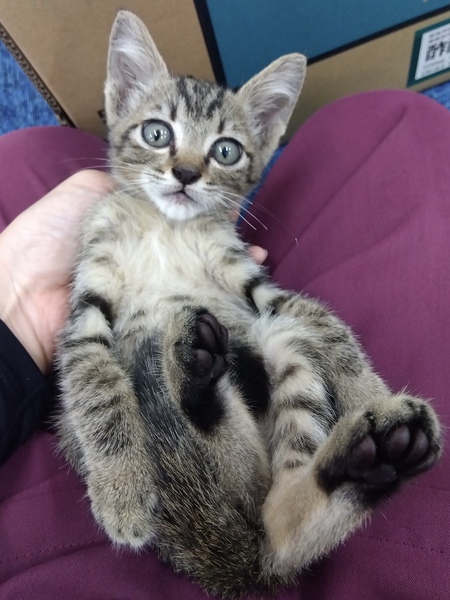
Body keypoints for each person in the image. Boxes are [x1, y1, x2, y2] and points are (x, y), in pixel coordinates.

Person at [0, 89, 448, 599]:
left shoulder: (216, 231)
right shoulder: (107, 219)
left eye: (225, 150)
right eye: (158, 134)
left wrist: (356, 383)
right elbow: (84, 348)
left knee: (287, 339)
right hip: (153, 410)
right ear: (121, 102)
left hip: (231, 378)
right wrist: (114, 459)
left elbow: (278, 309)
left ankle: (295, 489)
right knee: (134, 371)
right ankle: (287, 494)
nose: (187, 167)